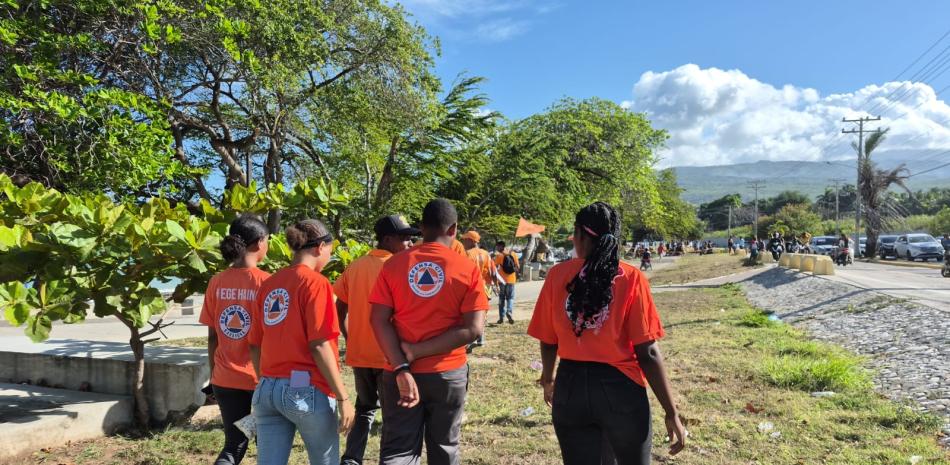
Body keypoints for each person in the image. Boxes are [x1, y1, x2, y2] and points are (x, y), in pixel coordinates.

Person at [528, 202, 685, 465]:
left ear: (578, 234)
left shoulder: (557, 276)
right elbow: (647, 351)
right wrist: (671, 413)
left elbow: (548, 341)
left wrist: (549, 378)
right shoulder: (632, 278)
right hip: (620, 390)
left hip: (570, 387)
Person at [369, 198, 489, 465]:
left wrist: (401, 365)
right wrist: (419, 351)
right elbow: (473, 329)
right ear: (454, 229)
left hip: (399, 374)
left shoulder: (393, 265)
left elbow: (378, 320)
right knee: (444, 447)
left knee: (398, 451)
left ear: (421, 228)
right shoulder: (467, 269)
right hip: (447, 374)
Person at [248, 219, 355, 465]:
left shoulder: (269, 284)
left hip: (267, 389)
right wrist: (343, 397)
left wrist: (265, 380)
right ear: (320, 248)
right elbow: (319, 345)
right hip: (305, 390)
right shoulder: (316, 283)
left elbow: (254, 344)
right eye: (331, 250)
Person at [335, 215, 419, 465]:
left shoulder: (356, 266)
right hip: (389, 357)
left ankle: (351, 458)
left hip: (360, 354)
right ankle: (389, 459)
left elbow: (340, 306)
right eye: (404, 238)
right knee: (394, 415)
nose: (409, 242)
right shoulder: (401, 266)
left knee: (365, 408)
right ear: (387, 239)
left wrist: (350, 336)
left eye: (411, 237)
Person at [199, 215, 271, 465]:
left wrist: (213, 376)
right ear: (259, 242)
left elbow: (212, 337)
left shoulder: (216, 282)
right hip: (261, 379)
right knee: (269, 445)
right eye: (268, 240)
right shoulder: (267, 282)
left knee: (233, 446)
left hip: (224, 378)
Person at [461, 230, 497, 349]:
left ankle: (471, 339)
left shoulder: (467, 253)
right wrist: (496, 285)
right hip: (485, 287)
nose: (463, 242)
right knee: (482, 312)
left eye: (465, 239)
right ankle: (481, 338)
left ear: (471, 241)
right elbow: (493, 271)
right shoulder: (486, 253)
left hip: (472, 286)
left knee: (470, 313)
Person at [494, 240, 519, 325]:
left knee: (501, 299)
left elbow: (495, 267)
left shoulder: (499, 255)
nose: (497, 248)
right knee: (510, 298)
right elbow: (517, 267)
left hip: (501, 281)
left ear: (501, 246)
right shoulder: (513, 254)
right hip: (511, 280)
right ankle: (509, 312)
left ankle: (501, 318)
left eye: (497, 246)